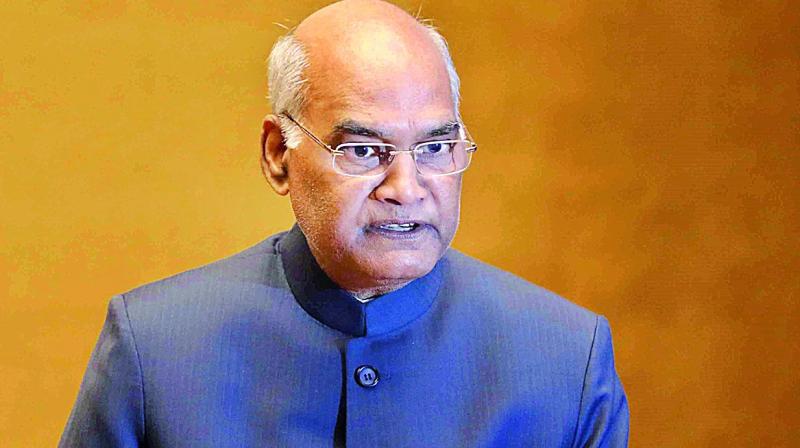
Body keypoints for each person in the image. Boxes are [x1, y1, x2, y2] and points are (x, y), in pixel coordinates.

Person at [60, 0, 629, 446]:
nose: (406, 189)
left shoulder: (566, 360)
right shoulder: (154, 348)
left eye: (434, 147)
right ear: (278, 154)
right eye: (363, 150)